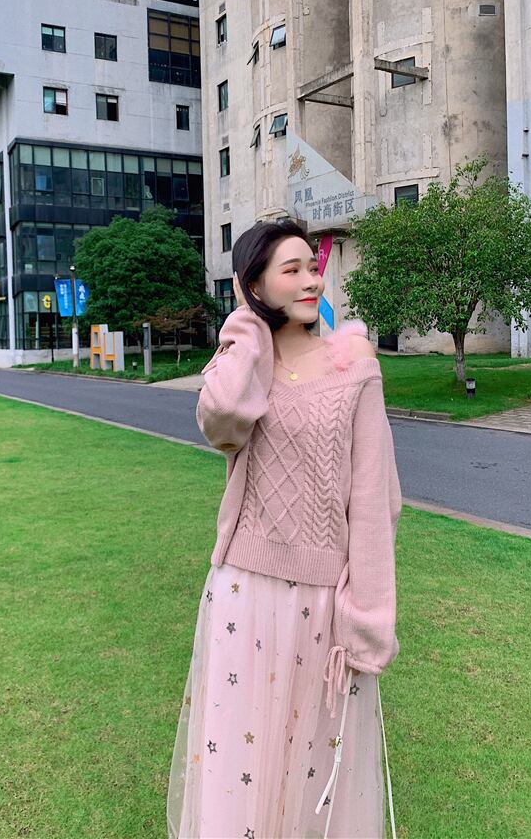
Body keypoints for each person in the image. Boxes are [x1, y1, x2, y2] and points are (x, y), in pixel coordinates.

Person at [167, 219, 402, 839]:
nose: (309, 281)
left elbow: (375, 499)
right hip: (243, 590)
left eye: (312, 268)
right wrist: (246, 329)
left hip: (323, 600)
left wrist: (367, 617)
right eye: (290, 270)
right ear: (255, 285)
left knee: (313, 764)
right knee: (237, 765)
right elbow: (221, 420)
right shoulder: (244, 362)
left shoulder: (354, 363)